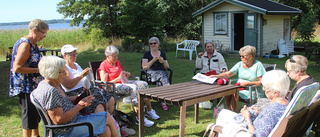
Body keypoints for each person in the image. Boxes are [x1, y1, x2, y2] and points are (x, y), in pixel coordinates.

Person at [31, 56, 120, 137]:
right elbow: (58, 120)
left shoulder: (49, 84)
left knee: (106, 130)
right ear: (53, 73)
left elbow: (60, 102)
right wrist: (80, 106)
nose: (66, 74)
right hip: (67, 129)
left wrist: (78, 97)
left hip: (74, 122)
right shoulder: (51, 91)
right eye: (63, 72)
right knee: (107, 117)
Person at [214, 70, 290, 136]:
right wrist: (257, 113)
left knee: (222, 118)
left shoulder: (272, 111)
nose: (263, 89)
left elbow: (257, 135)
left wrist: (248, 118)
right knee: (224, 113)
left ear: (275, 93)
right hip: (259, 126)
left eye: (266, 88)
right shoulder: (287, 104)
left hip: (249, 132)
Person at [99, 45, 159, 127]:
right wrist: (118, 78)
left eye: (117, 56)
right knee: (133, 89)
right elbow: (104, 84)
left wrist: (125, 75)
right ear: (107, 56)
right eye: (114, 57)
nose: (116, 58)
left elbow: (120, 74)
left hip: (122, 83)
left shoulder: (117, 62)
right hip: (112, 86)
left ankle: (149, 110)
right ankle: (140, 118)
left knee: (144, 84)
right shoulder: (104, 65)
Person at [9, 19, 49, 137]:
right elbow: (17, 68)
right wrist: (38, 71)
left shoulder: (33, 43)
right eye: (43, 33)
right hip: (25, 86)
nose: (44, 36)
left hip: (34, 85)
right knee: (28, 115)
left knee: (35, 114)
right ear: (35, 31)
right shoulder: (25, 44)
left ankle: (35, 135)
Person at [60, 44, 115, 114]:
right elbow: (68, 85)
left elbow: (84, 78)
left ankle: (110, 120)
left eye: (75, 54)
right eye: (72, 55)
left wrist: (88, 75)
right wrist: (81, 76)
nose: (75, 57)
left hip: (87, 89)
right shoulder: (64, 68)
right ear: (65, 56)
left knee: (110, 99)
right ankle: (104, 122)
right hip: (77, 93)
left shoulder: (76, 65)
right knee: (98, 106)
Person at [209, 45, 266, 111]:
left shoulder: (258, 65)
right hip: (240, 88)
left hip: (253, 90)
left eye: (243, 56)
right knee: (228, 91)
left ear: (250, 56)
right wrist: (216, 76)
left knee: (234, 93)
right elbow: (228, 74)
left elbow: (262, 82)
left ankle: (233, 113)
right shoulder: (240, 64)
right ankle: (230, 111)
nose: (241, 58)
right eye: (240, 56)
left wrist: (249, 83)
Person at [142, 37, 170, 110]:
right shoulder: (147, 53)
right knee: (162, 75)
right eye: (151, 44)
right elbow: (144, 67)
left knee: (161, 77)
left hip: (161, 73)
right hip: (151, 73)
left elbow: (167, 67)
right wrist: (152, 61)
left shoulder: (162, 54)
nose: (153, 45)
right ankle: (164, 97)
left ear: (158, 44)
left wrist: (163, 61)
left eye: (154, 43)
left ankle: (162, 100)